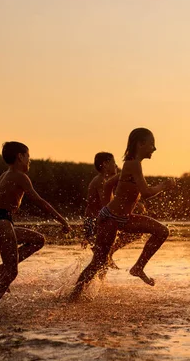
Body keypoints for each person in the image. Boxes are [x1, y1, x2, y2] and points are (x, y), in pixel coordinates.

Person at [69, 128, 176, 300]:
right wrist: (164, 185)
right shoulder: (133, 164)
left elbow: (109, 184)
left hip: (121, 218)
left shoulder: (131, 165)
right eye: (152, 144)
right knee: (98, 262)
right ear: (140, 144)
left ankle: (138, 267)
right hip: (111, 219)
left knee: (162, 231)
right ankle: (73, 297)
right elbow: (146, 192)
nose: (154, 148)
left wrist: (109, 207)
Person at [0, 141, 70, 308]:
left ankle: (2, 268)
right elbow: (39, 201)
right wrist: (62, 219)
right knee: (12, 273)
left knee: (38, 240)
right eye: (28, 157)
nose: (29, 160)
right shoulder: (20, 176)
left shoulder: (3, 176)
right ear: (20, 157)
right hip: (2, 223)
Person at [82, 152, 119, 249]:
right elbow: (106, 206)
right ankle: (110, 253)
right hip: (94, 223)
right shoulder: (101, 181)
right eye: (113, 162)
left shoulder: (104, 180)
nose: (116, 165)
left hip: (95, 222)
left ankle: (109, 254)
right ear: (105, 164)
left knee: (101, 255)